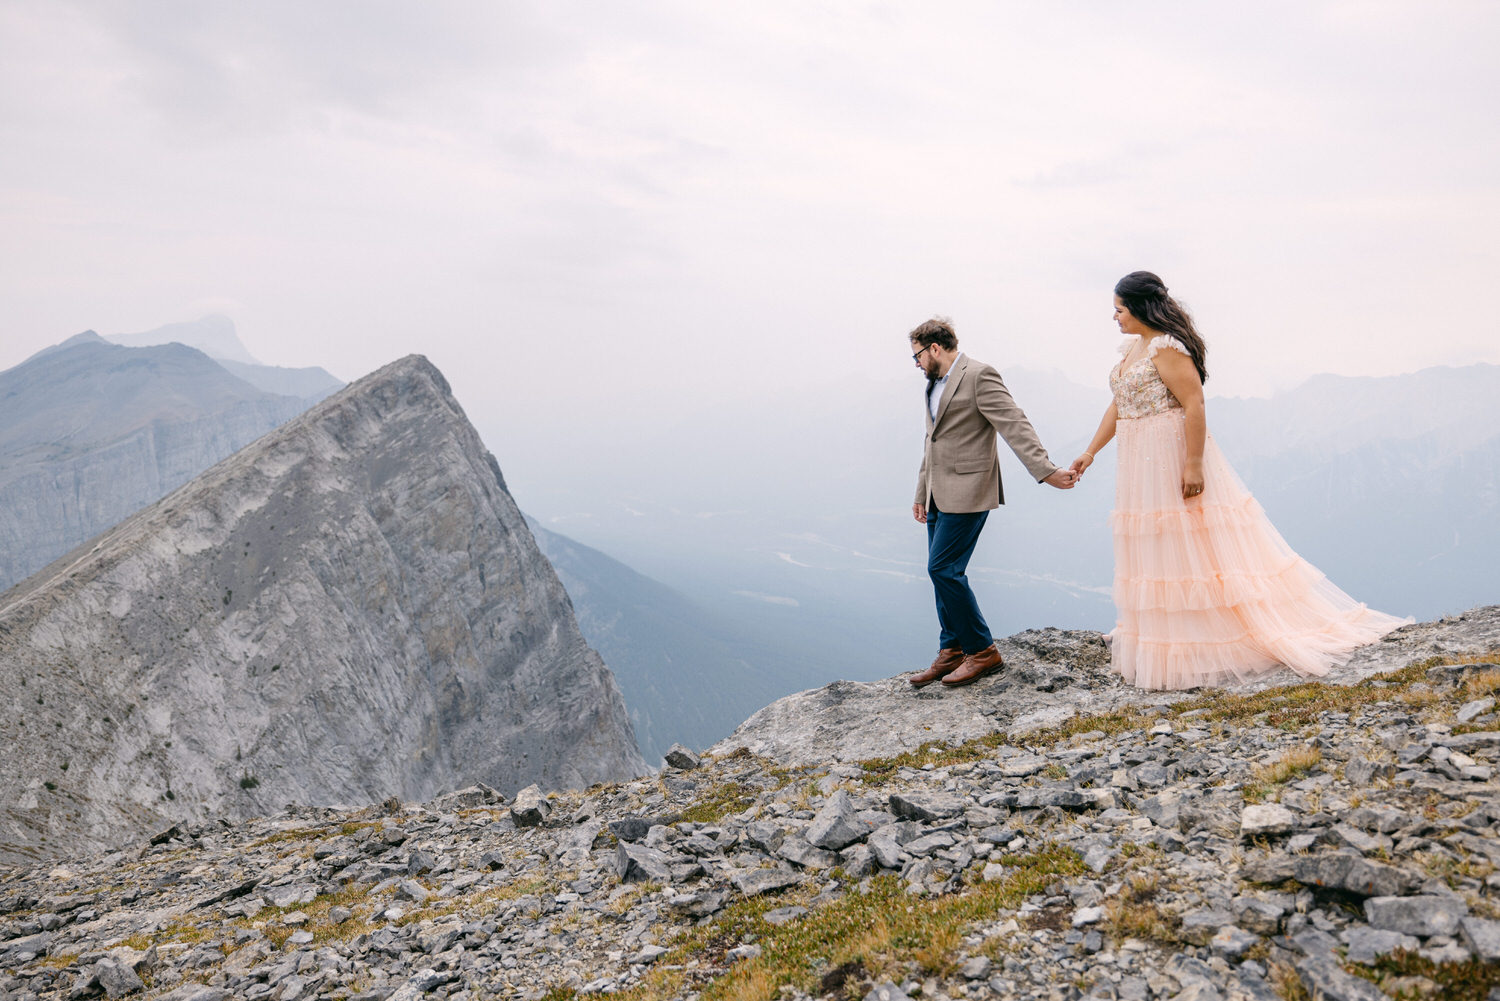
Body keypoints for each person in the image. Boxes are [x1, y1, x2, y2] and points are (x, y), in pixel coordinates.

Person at [1070, 271, 1408, 689]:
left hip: (1168, 450)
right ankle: (1151, 627)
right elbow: (1119, 404)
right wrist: (1090, 452)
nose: (1115, 317)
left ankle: (1198, 633)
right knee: (1152, 539)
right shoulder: (1133, 348)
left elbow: (1194, 403)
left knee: (1187, 537)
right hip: (1138, 456)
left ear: (1139, 308)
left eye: (1119, 309)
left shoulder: (1166, 347)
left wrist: (1192, 463)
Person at [908, 317, 1077, 689]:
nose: (917, 363)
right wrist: (922, 492)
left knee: (944, 570)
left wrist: (1046, 471)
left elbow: (1014, 423)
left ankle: (982, 651)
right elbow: (931, 440)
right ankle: (951, 650)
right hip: (938, 491)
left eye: (917, 355)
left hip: (969, 490)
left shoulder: (979, 375)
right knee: (939, 574)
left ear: (934, 348)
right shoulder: (934, 385)